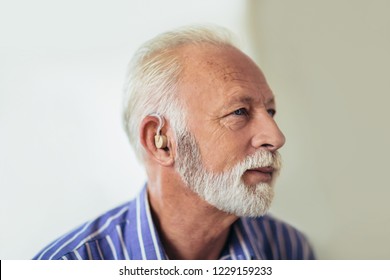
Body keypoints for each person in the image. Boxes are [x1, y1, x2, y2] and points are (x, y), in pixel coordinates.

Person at [33, 25, 315, 260]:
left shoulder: (288, 250)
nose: (276, 138)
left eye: (270, 111)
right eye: (239, 112)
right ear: (161, 142)